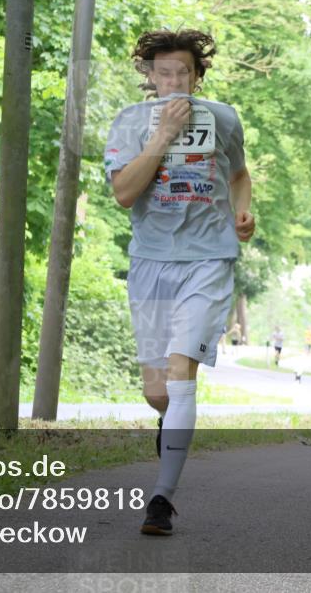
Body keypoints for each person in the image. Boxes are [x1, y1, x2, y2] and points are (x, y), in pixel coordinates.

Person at [104, 29, 255, 535]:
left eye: (183, 73)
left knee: (180, 372)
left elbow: (239, 175)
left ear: (196, 76)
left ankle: (162, 498)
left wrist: (242, 212)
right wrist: (162, 136)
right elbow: (124, 194)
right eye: (164, 73)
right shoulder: (130, 122)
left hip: (209, 258)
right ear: (150, 76)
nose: (173, 82)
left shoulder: (223, 118)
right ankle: (169, 424)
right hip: (151, 261)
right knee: (157, 392)